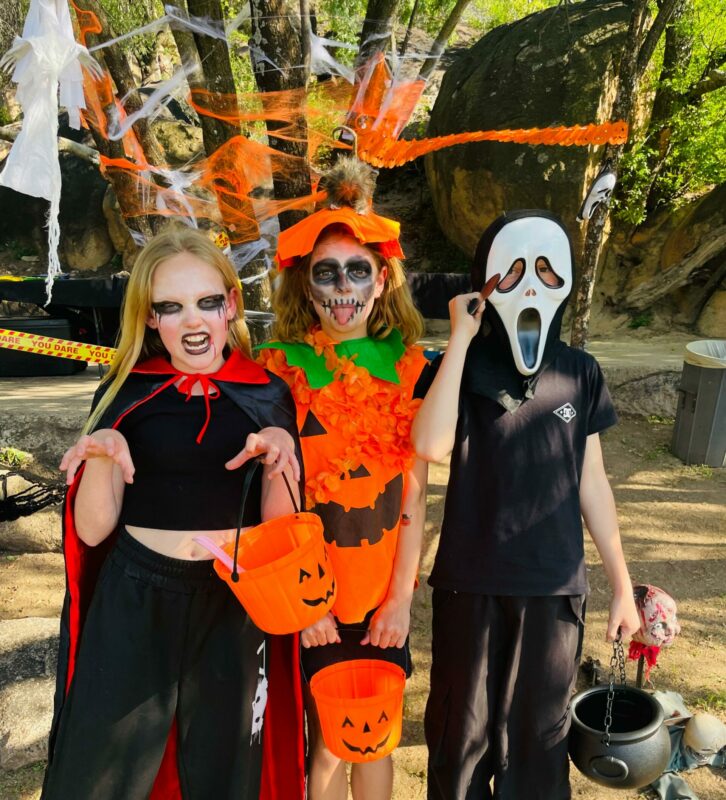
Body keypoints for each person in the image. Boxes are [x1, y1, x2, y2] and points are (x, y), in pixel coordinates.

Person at [42, 228, 306, 800]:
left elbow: (280, 532)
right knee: (102, 770)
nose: (194, 321)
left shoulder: (267, 393)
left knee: (227, 773)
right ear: (150, 318)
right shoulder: (126, 391)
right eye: (171, 306)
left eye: (208, 302)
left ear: (231, 304)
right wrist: (105, 450)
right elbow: (92, 531)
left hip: (234, 604)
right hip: (136, 595)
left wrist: (280, 459)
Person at [411, 210, 640, 800]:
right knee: (462, 735)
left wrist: (621, 587)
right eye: (513, 270)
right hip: (471, 582)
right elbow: (430, 445)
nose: (531, 282)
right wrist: (459, 338)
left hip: (555, 587)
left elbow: (593, 481)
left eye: (544, 267)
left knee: (539, 738)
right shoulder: (455, 369)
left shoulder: (580, 373)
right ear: (484, 279)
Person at [257, 157, 428, 800]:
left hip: (382, 599)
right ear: (307, 285)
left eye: (357, 270)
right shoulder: (279, 371)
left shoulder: (410, 371)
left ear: (381, 280)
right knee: (327, 741)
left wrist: (403, 599)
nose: (342, 288)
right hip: (317, 601)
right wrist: (306, 608)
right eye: (326, 273)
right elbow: (277, 498)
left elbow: (414, 499)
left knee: (374, 735)